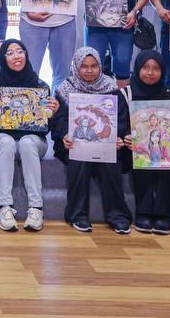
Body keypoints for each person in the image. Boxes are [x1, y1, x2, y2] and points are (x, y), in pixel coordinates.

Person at [0, 40, 58, 232]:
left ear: (26, 55)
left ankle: (36, 208)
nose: (16, 56)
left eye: (20, 51)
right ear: (3, 59)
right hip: (0, 140)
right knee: (6, 140)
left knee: (26, 142)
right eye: (10, 53)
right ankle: (4, 207)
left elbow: (44, 129)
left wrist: (51, 114)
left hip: (33, 141)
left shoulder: (40, 86)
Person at [52, 47, 132, 234]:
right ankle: (78, 215)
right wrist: (64, 135)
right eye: (84, 66)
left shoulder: (111, 88)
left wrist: (118, 137)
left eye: (94, 66)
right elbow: (58, 120)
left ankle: (118, 216)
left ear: (100, 66)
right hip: (74, 144)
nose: (89, 70)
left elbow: (122, 119)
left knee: (111, 163)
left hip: (106, 144)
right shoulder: (65, 88)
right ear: (76, 67)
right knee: (78, 160)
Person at [123, 49, 170, 235]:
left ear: (163, 71)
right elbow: (120, 125)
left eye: (156, 68)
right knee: (143, 162)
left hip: (164, 149)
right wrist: (126, 136)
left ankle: (163, 214)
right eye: (145, 67)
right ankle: (143, 211)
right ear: (137, 69)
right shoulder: (127, 93)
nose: (150, 72)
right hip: (135, 150)